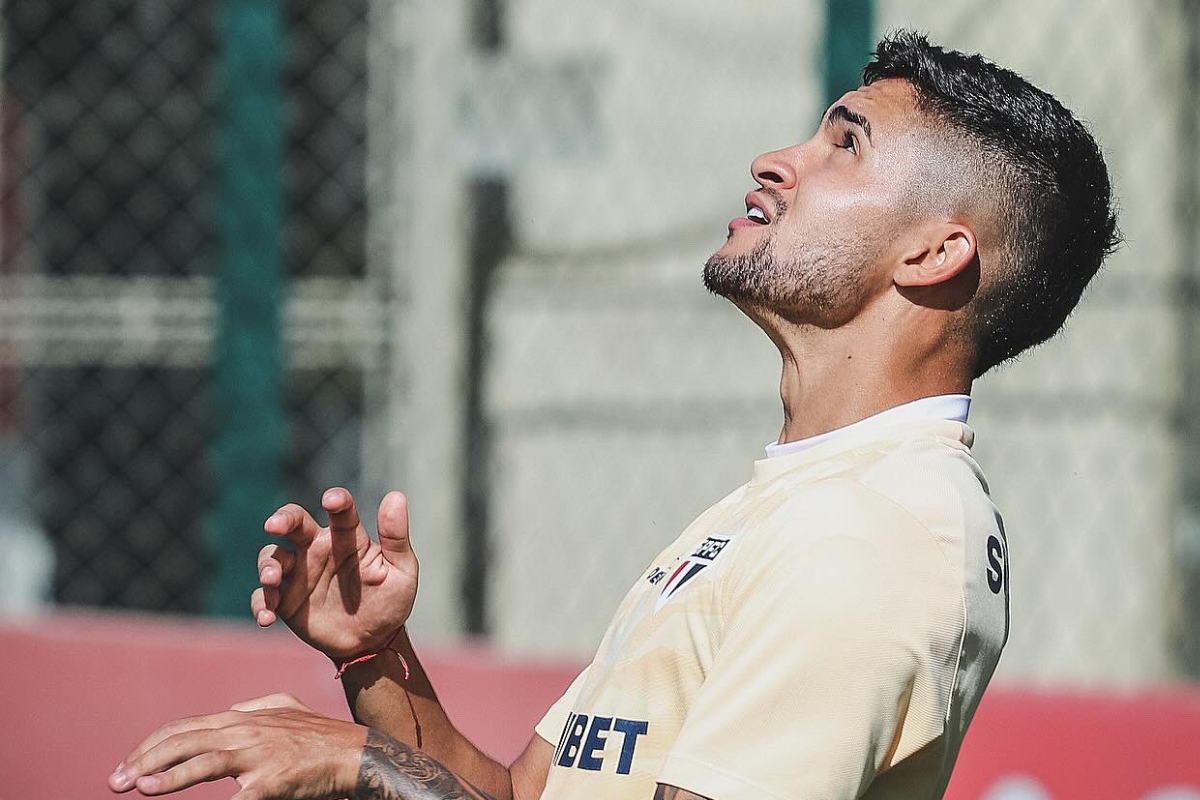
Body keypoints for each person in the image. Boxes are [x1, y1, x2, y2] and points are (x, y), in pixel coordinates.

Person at [108, 30, 1118, 800]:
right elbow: (517, 791)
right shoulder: (801, 500)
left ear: (935, 254)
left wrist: (364, 763)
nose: (776, 158)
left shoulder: (880, 534)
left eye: (843, 146)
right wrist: (377, 662)